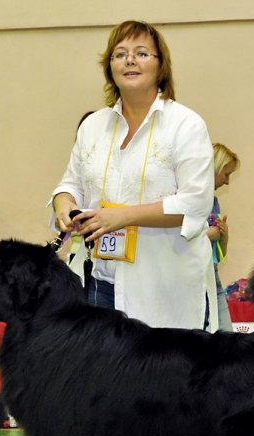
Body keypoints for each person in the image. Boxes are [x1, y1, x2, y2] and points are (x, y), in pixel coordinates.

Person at [51, 20, 217, 330]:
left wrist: (123, 217)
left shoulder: (186, 125)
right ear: (109, 66)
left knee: (168, 378)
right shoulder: (93, 126)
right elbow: (69, 184)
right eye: (120, 53)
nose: (129, 60)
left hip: (165, 286)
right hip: (100, 283)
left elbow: (195, 203)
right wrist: (64, 205)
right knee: (101, 377)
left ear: (160, 66)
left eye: (141, 53)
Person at [207, 143, 239, 331]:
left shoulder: (214, 202)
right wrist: (208, 235)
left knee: (227, 337)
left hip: (212, 275)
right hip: (192, 282)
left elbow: (218, 256)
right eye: (226, 174)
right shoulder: (185, 200)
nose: (227, 182)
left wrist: (223, 236)